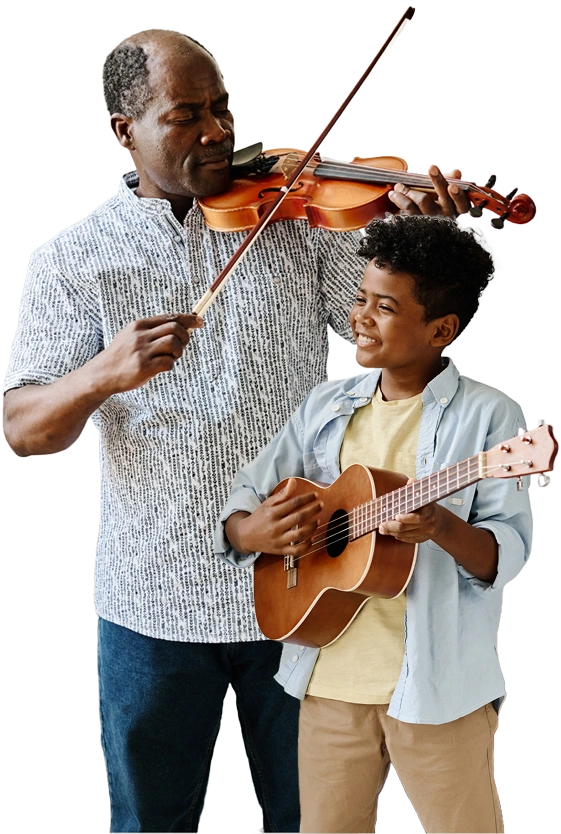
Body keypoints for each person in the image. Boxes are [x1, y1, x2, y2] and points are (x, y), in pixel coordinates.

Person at [3, 28, 472, 834]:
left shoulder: (292, 220)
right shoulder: (73, 262)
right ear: (125, 130)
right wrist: (100, 375)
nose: (219, 131)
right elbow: (23, 431)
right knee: (150, 825)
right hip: (151, 604)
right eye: (187, 115)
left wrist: (426, 244)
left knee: (319, 820)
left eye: (221, 107)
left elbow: (390, 338)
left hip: (306, 585)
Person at [217, 214, 533, 834]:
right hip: (329, 675)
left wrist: (440, 525)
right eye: (360, 298)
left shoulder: (489, 420)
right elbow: (249, 493)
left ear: (441, 328)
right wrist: (249, 533)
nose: (360, 316)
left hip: (439, 689)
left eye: (384, 306)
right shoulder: (327, 406)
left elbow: (507, 553)